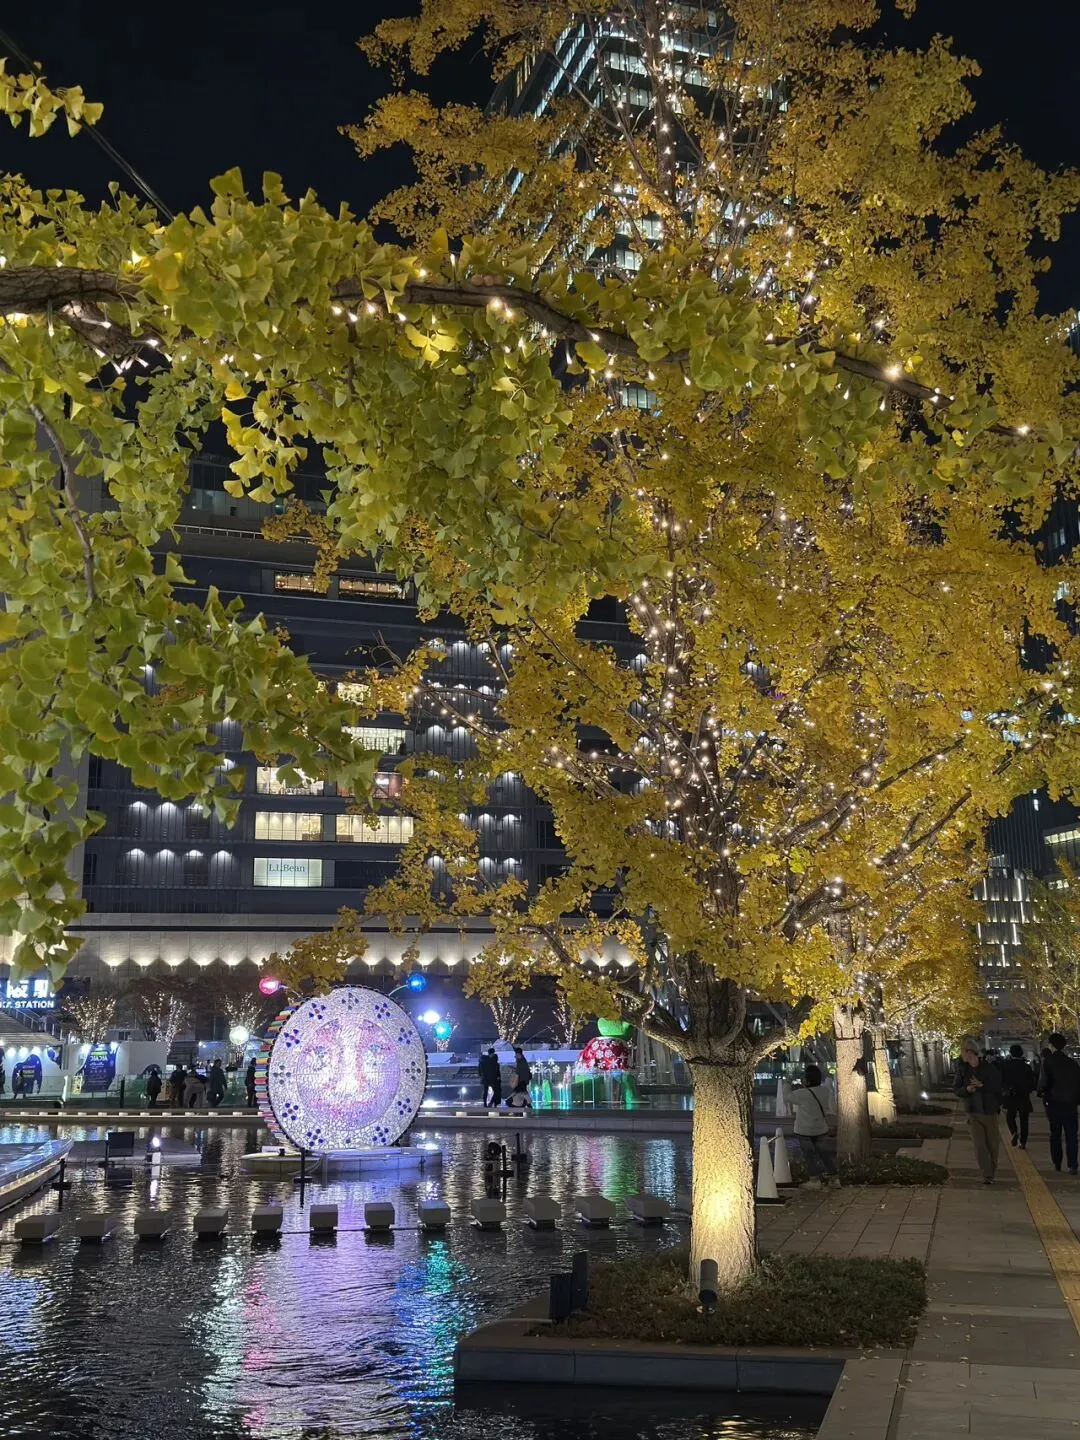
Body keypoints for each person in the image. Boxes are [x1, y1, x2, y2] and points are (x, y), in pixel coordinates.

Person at [954, 1037, 1004, 1182]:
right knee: (979, 1145)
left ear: (970, 1051)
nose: (962, 1055)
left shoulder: (988, 1068)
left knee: (993, 1145)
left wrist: (982, 1086)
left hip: (989, 1111)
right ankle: (987, 1174)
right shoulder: (962, 1070)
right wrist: (967, 1089)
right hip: (973, 1111)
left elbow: (997, 1086)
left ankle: (991, 1171)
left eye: (963, 1051)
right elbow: (956, 1089)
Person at [789, 1063, 836, 1185]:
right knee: (824, 1154)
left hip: (804, 1130)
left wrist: (786, 1084)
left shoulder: (801, 1093)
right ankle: (834, 1178)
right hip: (820, 1128)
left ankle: (814, 1180)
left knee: (809, 1155)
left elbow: (786, 1097)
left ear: (807, 1079)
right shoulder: (825, 1091)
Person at [1040, 1032, 1080, 1175]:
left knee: (1055, 1134)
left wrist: (1043, 1096)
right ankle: (1073, 1165)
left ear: (1051, 1045)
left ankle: (1057, 1162)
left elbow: (1043, 1084)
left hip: (1054, 1103)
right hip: (1070, 1104)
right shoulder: (1072, 1063)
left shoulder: (1048, 1062)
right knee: (1072, 1135)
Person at [1000, 1044, 1035, 1149]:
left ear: (1011, 1053)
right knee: (1024, 1120)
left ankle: (1014, 1131)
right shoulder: (1026, 1067)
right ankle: (1023, 1142)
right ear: (1021, 1053)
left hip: (1011, 1096)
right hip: (1023, 1096)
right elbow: (1031, 1083)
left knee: (1010, 1117)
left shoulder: (1006, 1066)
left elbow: (1002, 1080)